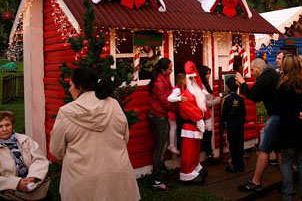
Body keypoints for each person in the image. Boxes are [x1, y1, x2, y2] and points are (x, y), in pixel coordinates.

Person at [50, 67, 140, 201]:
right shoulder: (113, 105)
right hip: (117, 177)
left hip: (81, 181)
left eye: (71, 85)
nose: (69, 89)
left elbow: (56, 150)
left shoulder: (65, 113)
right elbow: (124, 137)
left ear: (79, 87)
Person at [236, 58, 280, 192]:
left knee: (264, 148)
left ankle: (255, 182)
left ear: (259, 69)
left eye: (253, 71)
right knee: (278, 149)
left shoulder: (265, 78)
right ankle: (288, 181)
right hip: (280, 115)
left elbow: (253, 95)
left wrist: (243, 83)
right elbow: (260, 96)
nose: (253, 74)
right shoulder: (273, 75)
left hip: (276, 116)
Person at [278, 55, 302, 201]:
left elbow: (280, 109)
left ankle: (287, 196)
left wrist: (296, 114)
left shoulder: (283, 86)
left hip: (289, 129)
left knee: (287, 162)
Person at [0, 111, 49, 201]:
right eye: (0, 126)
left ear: (13, 125)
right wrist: (16, 183)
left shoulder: (25, 140)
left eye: (7, 125)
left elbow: (39, 159)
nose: (4, 129)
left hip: (31, 182)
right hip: (7, 190)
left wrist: (33, 176)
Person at [147, 57, 177, 190]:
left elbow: (170, 92)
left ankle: (161, 171)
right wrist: (179, 106)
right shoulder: (159, 82)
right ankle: (157, 180)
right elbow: (166, 103)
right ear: (163, 70)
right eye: (170, 68)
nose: (171, 70)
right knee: (160, 148)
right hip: (158, 116)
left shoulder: (165, 78)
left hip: (159, 114)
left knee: (160, 146)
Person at [178, 61, 209, 185]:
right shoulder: (186, 94)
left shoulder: (194, 92)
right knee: (188, 152)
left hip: (195, 126)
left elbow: (200, 106)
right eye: (191, 78)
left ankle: (194, 168)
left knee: (195, 151)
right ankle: (187, 173)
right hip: (190, 126)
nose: (194, 81)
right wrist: (199, 119)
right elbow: (190, 109)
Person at [197, 65, 221, 165]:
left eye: (209, 73)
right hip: (204, 114)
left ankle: (209, 154)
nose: (209, 76)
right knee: (207, 135)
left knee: (208, 134)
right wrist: (218, 100)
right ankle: (208, 156)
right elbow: (206, 103)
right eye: (207, 74)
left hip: (207, 114)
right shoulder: (201, 86)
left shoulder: (205, 84)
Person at [222, 76, 246, 173]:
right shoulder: (240, 98)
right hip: (240, 125)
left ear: (227, 87)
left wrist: (223, 125)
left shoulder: (226, 99)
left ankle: (234, 165)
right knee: (240, 144)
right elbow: (243, 112)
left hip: (231, 125)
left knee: (232, 145)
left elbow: (224, 114)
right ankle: (241, 165)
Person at [167, 73, 188, 155]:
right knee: (173, 127)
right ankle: (171, 145)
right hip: (172, 112)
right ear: (183, 81)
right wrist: (179, 98)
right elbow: (169, 98)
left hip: (174, 111)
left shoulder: (182, 88)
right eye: (186, 79)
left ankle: (173, 145)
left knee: (174, 127)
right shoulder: (177, 90)